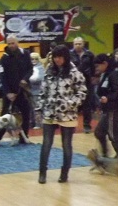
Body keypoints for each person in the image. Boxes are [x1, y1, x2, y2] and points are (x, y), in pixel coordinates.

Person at [36, 45, 87, 184]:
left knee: (66, 145)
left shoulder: (75, 73)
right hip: (50, 113)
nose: (57, 60)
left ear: (66, 57)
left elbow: (82, 92)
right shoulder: (49, 72)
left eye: (60, 57)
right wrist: (39, 108)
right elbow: (43, 92)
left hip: (68, 115)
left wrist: (70, 104)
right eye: (55, 57)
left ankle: (64, 174)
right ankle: (42, 173)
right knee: (46, 144)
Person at [0, 34, 33, 147]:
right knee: (4, 116)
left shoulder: (25, 54)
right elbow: (2, 76)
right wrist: (8, 93)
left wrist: (25, 79)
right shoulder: (4, 58)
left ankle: (23, 137)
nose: (11, 45)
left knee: (26, 114)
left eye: (13, 43)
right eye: (9, 43)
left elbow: (30, 69)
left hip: (22, 90)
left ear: (17, 42)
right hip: (9, 92)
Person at [94, 53, 118, 172]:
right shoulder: (106, 74)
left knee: (114, 134)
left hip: (116, 109)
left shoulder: (115, 74)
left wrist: (108, 98)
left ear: (105, 63)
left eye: (98, 66)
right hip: (108, 109)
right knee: (99, 132)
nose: (97, 68)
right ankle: (105, 156)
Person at [70, 37, 95, 133]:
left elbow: (93, 67)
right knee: (72, 104)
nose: (78, 45)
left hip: (86, 82)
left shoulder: (89, 54)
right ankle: (71, 125)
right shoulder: (69, 54)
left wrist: (92, 76)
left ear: (83, 44)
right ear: (73, 44)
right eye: (76, 44)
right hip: (73, 82)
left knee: (87, 105)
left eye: (79, 43)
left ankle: (87, 125)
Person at [29, 52, 45, 130]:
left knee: (37, 109)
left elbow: (40, 79)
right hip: (29, 92)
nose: (34, 60)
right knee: (31, 109)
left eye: (36, 59)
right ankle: (32, 123)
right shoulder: (28, 67)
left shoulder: (40, 67)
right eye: (32, 59)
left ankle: (38, 124)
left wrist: (28, 80)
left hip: (37, 91)